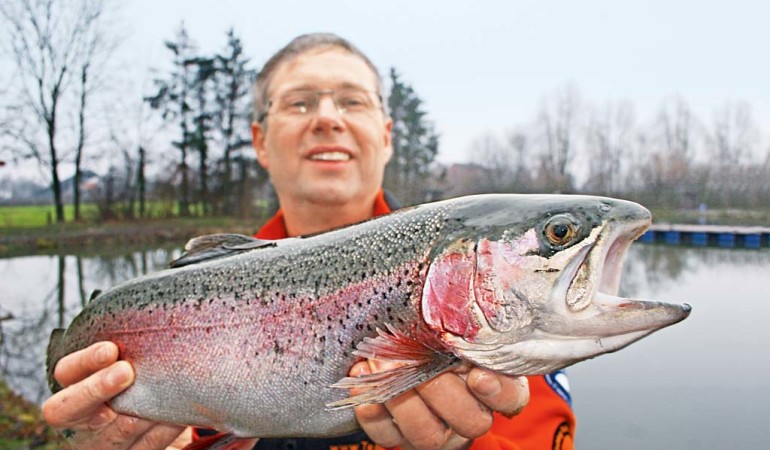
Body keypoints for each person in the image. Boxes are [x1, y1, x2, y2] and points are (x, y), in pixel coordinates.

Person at [42, 33, 575, 450]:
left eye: (352, 101)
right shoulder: (184, 294)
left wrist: (468, 444)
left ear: (386, 135)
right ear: (260, 141)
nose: (327, 118)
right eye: (299, 103)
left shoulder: (502, 302)